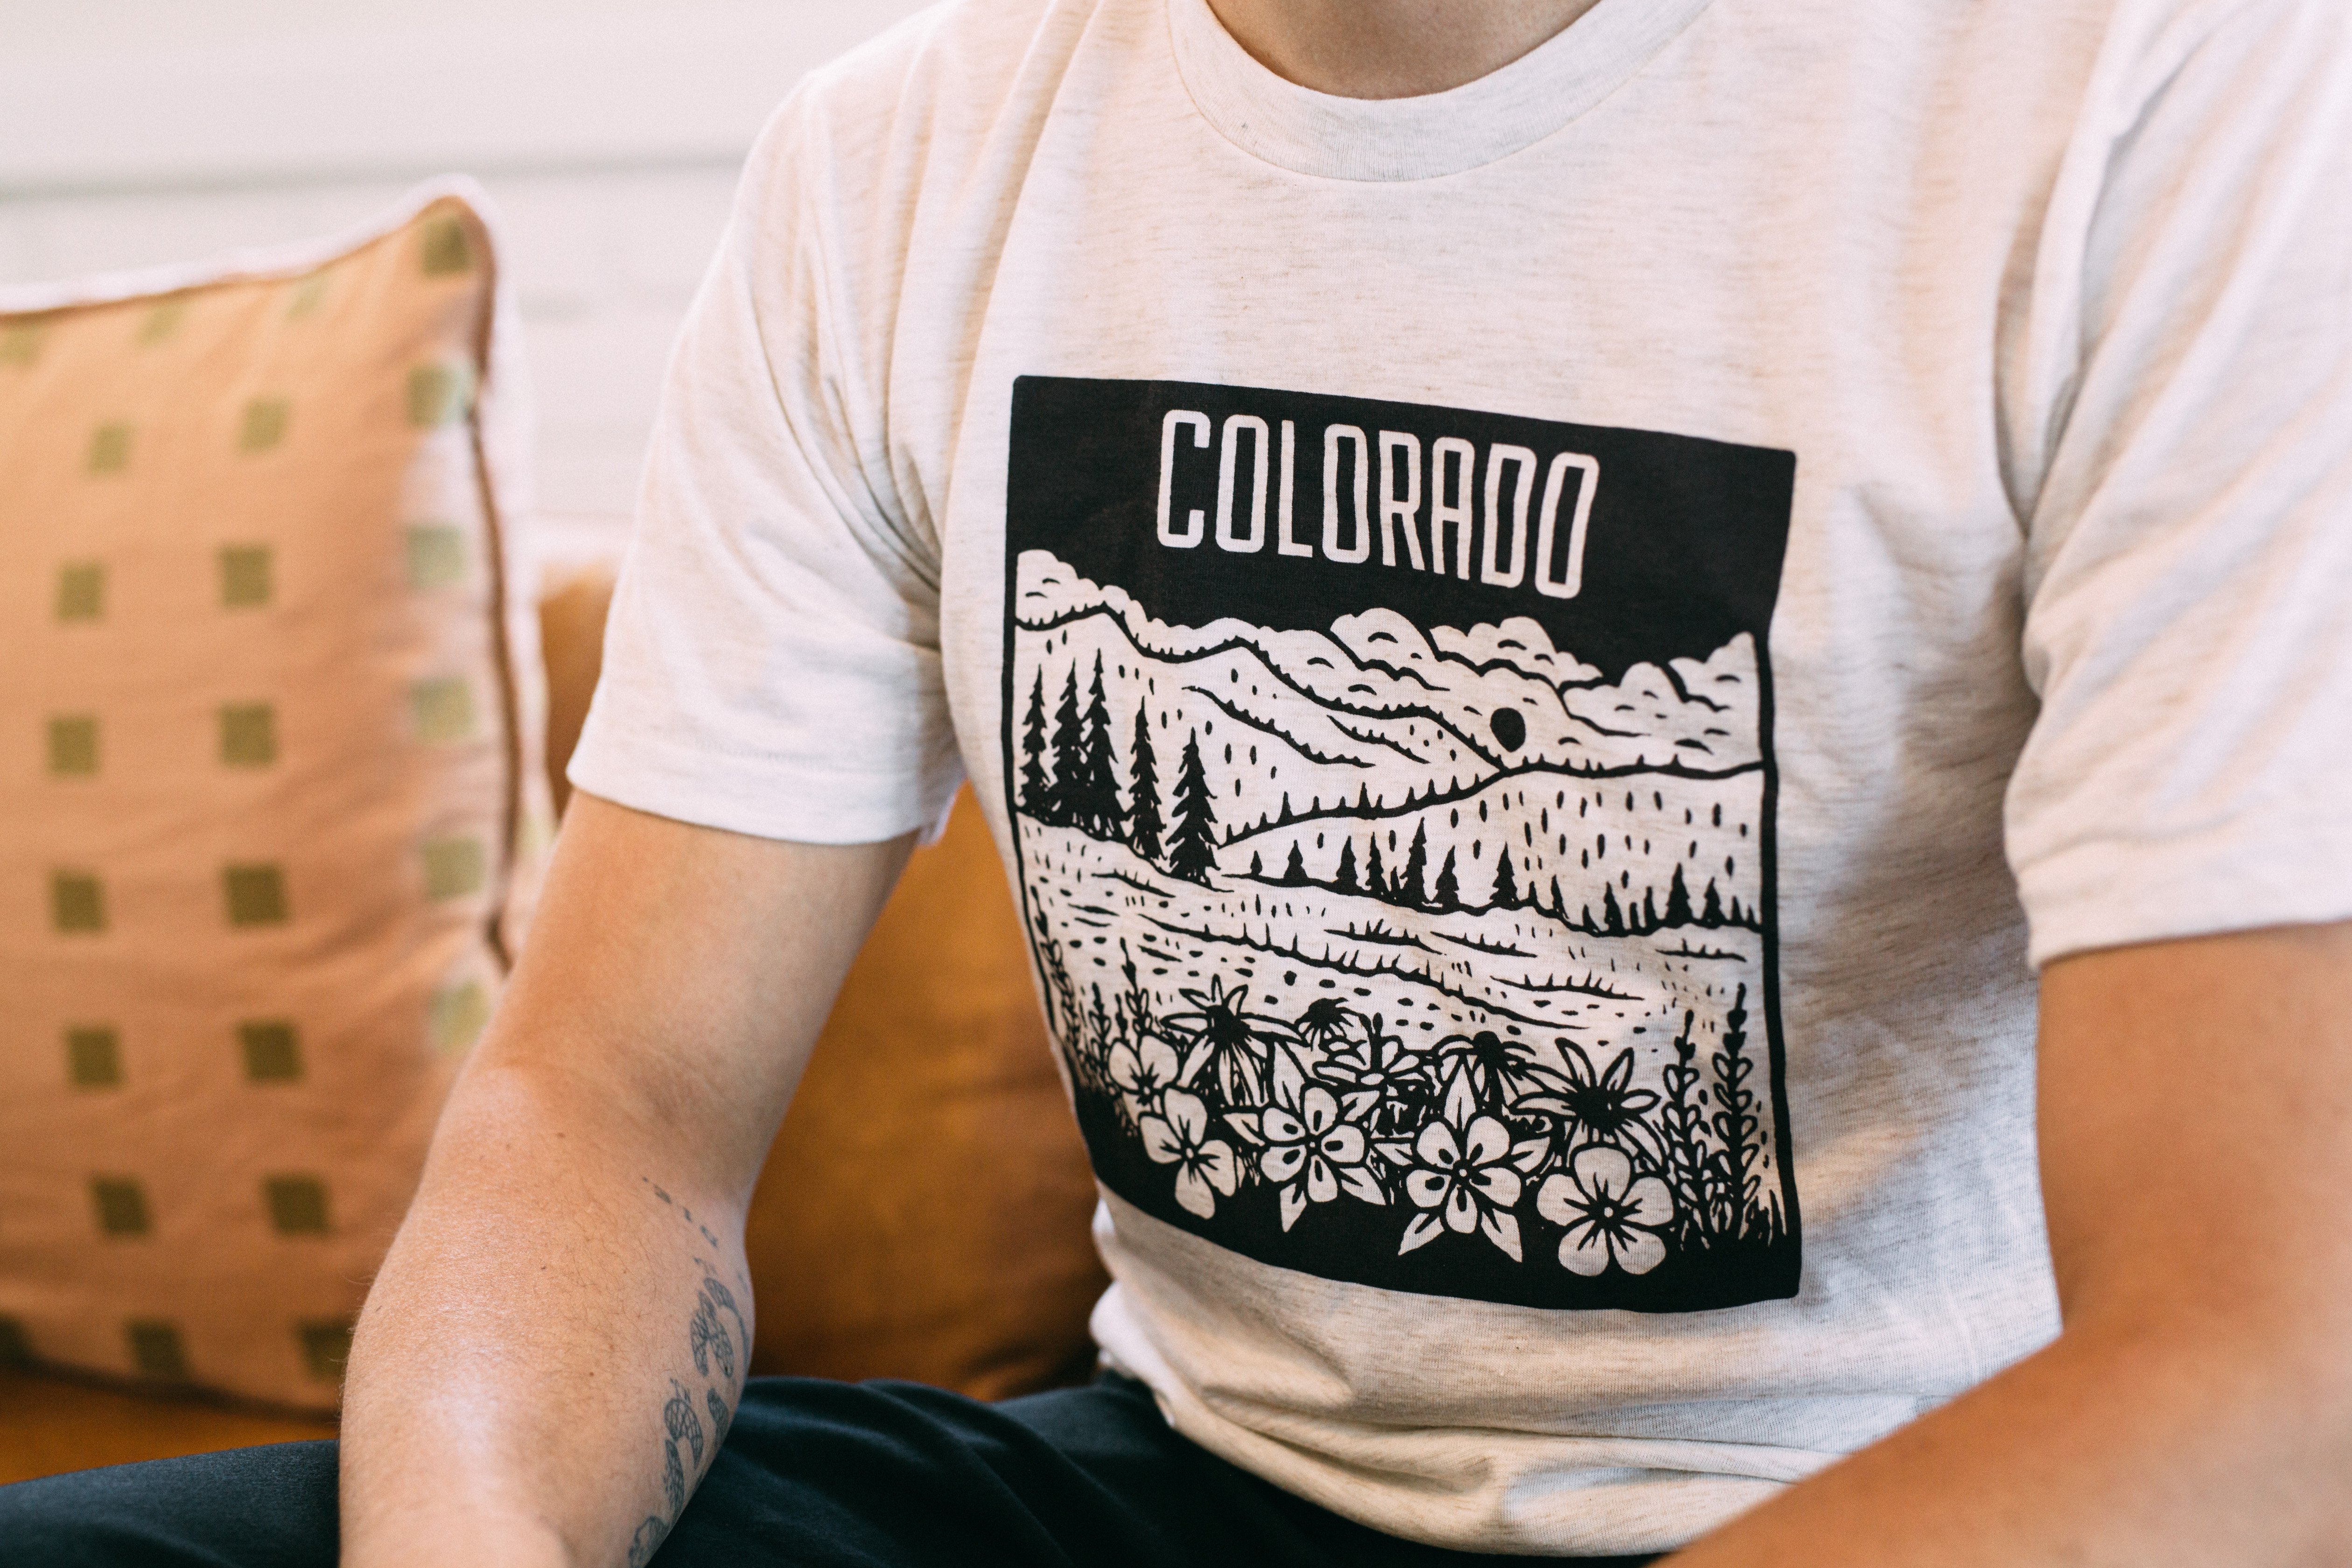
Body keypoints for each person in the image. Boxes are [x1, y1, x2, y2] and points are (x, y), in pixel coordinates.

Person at [8, 0, 2351, 1562]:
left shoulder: (2161, 101)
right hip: (1196, 1477)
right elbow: (608, 1104)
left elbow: (2268, 1375)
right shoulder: (892, 169)